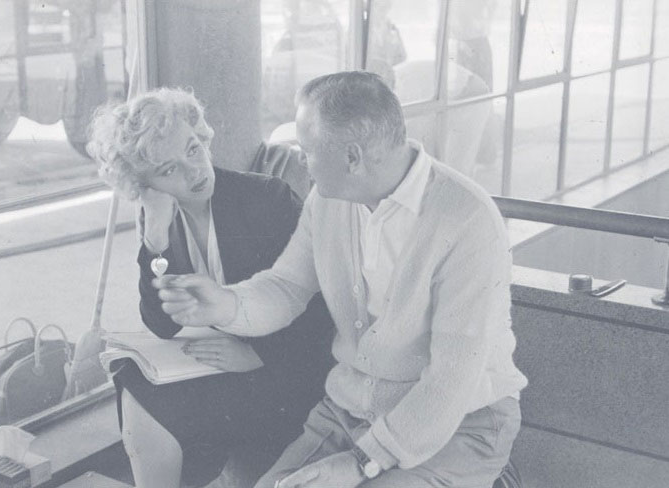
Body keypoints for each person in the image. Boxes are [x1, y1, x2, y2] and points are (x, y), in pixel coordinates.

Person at [153, 72, 528, 488]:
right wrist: (224, 304)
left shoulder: (467, 219)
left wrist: (360, 463)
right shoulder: (328, 200)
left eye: (307, 151)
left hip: (461, 426)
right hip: (349, 415)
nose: (300, 161)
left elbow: (450, 382)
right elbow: (287, 286)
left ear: (352, 158)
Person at [86, 88, 335, 488]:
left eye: (193, 149)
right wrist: (155, 241)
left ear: (202, 135)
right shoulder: (161, 219)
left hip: (284, 369)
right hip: (221, 366)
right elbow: (162, 324)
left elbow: (322, 310)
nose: (194, 171)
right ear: (144, 187)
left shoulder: (266, 199)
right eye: (169, 170)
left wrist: (257, 354)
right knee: (133, 379)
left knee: (166, 407)